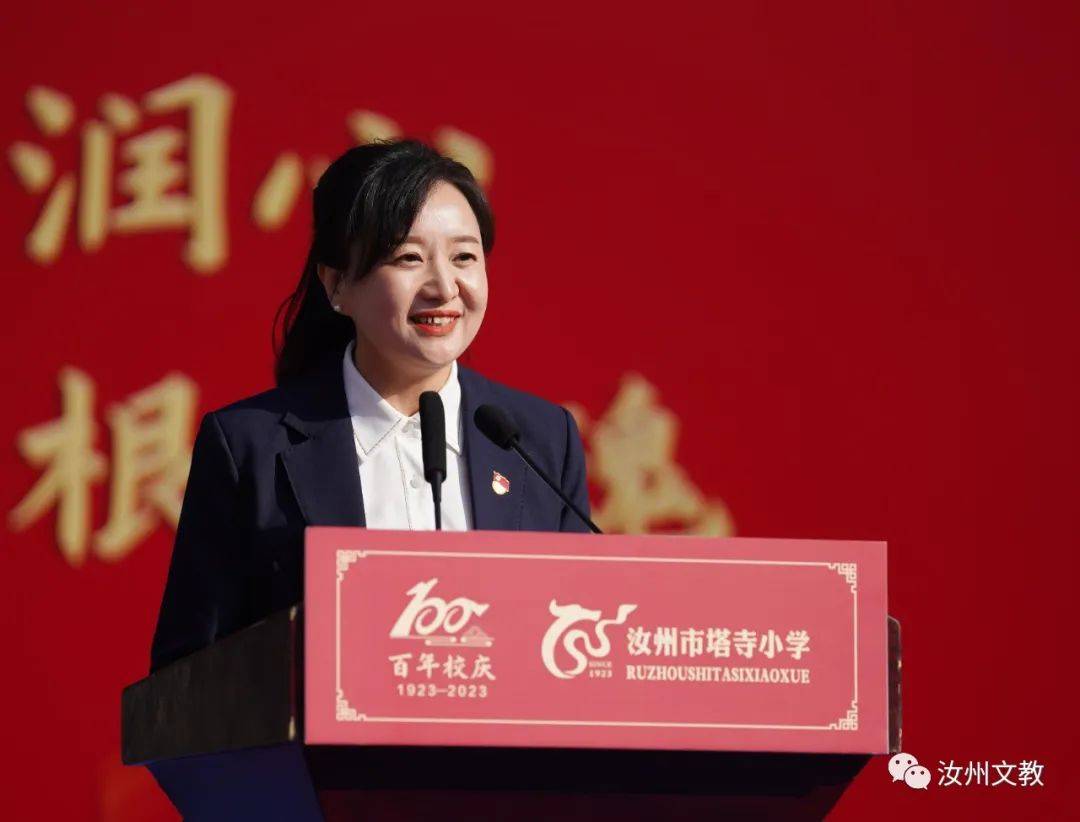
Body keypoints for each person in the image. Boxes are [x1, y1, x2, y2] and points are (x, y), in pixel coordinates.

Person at [149, 139, 591, 672]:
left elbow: (578, 638)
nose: (444, 287)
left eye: (464, 257)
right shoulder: (251, 447)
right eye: (409, 258)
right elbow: (186, 678)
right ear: (338, 284)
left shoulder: (540, 439)